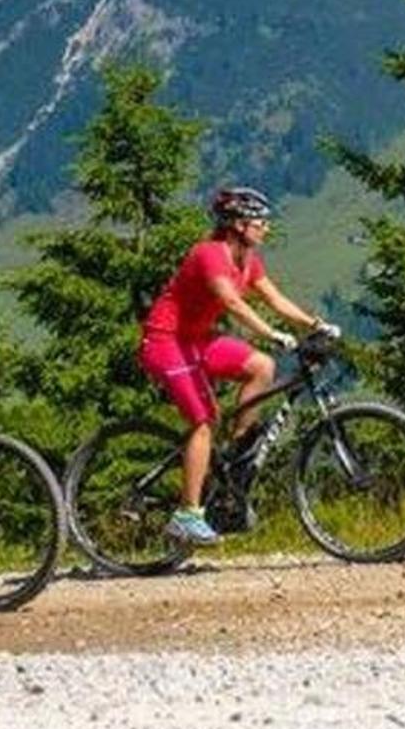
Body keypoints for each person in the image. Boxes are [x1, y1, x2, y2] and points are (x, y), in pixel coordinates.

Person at [139, 185, 335, 546]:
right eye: (260, 222)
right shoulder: (209, 254)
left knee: (261, 366)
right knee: (204, 422)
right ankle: (186, 515)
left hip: (197, 340)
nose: (267, 228)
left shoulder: (248, 261)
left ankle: (237, 454)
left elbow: (275, 299)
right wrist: (272, 334)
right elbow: (231, 302)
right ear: (238, 225)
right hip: (166, 342)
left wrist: (315, 325)